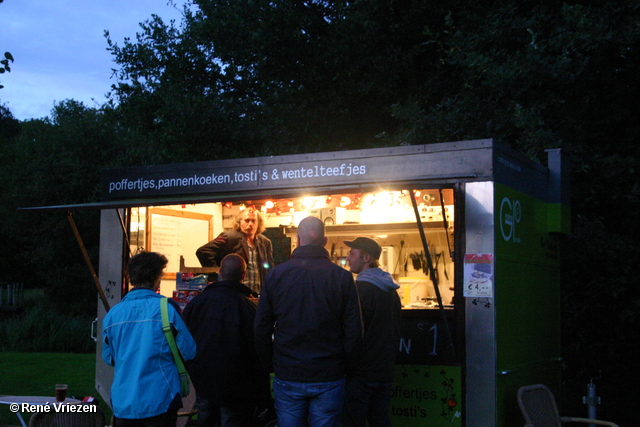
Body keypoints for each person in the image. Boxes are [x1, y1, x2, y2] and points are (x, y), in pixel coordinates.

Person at [254, 216, 362, 427]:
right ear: (325, 241)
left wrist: (270, 363)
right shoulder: (342, 277)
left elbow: (261, 327)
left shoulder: (276, 275)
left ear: (297, 239)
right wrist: (347, 365)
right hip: (329, 373)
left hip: (288, 371)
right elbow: (354, 329)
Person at [102, 251, 196, 427]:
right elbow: (189, 351)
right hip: (161, 398)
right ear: (157, 278)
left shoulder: (113, 314)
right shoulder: (167, 309)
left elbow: (109, 358)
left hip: (123, 401)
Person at [182, 254, 271, 427]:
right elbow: (257, 353)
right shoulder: (248, 307)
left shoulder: (198, 303)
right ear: (243, 275)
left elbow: (185, 342)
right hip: (236, 387)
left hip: (203, 383)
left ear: (219, 272)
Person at [341, 237, 401, 427]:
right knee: (380, 419)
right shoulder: (391, 290)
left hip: (361, 373)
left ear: (366, 257)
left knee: (353, 422)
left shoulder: (359, 290)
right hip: (384, 370)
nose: (348, 257)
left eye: (352, 253)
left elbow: (351, 332)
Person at [196, 208, 274, 294]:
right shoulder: (229, 237)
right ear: (240, 222)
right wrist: (218, 275)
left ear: (258, 223)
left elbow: (269, 269)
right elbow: (203, 251)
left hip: (258, 294)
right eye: (247, 220)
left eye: (253, 221)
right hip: (234, 293)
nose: (250, 224)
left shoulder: (265, 242)